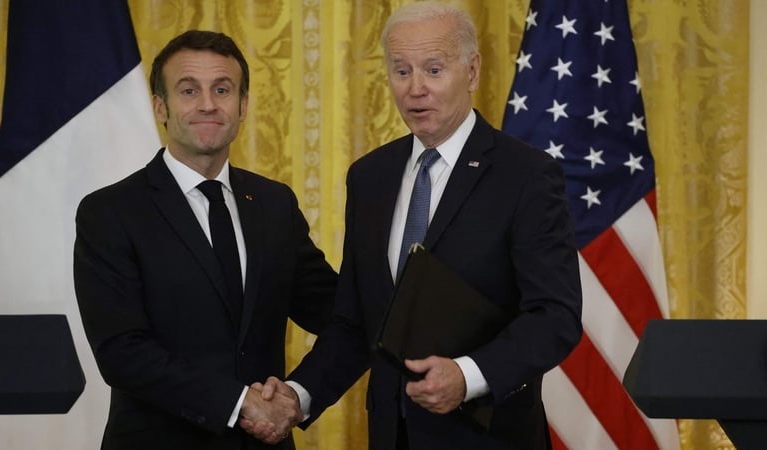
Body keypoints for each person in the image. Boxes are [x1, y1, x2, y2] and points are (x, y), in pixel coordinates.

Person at [255, 2, 583, 449]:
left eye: (433, 69)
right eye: (401, 71)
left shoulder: (525, 175)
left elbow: (554, 316)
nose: (416, 89)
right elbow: (357, 322)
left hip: (489, 436)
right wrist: (298, 395)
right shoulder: (370, 176)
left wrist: (468, 376)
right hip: (393, 436)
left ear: (471, 71)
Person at [73, 30, 336, 449]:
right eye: (188, 90)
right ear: (161, 106)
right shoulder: (110, 212)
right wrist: (238, 403)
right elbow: (122, 352)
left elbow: (338, 314)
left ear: (243, 105)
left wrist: (298, 395)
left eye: (223, 89)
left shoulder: (274, 204)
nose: (208, 104)